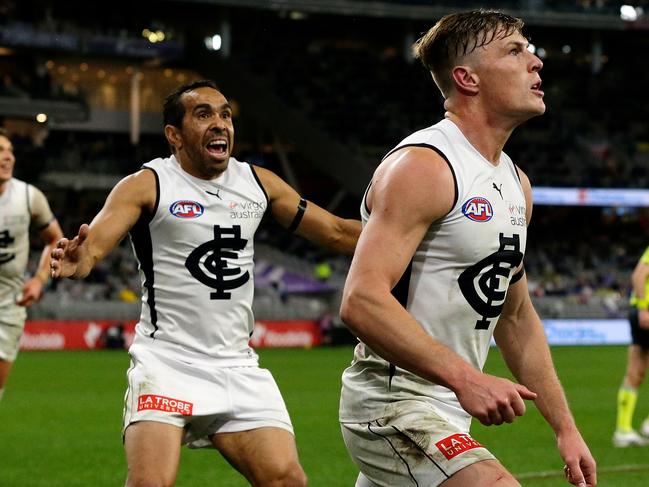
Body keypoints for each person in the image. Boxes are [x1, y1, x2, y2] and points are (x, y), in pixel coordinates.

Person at [50, 79, 361, 486]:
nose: (219, 123)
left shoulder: (259, 183)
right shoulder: (147, 185)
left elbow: (337, 232)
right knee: (150, 483)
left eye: (225, 114)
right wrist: (80, 259)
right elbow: (94, 247)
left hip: (236, 364)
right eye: (203, 115)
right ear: (174, 135)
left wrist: (406, 235)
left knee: (288, 480)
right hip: (167, 362)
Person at [338, 10, 596, 487]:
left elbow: (516, 317)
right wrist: (467, 378)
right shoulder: (424, 165)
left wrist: (566, 428)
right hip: (395, 404)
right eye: (515, 51)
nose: (536, 62)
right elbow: (361, 300)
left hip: (450, 411)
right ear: (467, 78)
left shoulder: (516, 183)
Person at [0, 127, 62, 402]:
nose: (7, 157)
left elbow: (55, 240)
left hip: (8, 308)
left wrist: (39, 279)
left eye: (9, 151)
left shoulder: (28, 197)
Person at [613, 246, 649, 447]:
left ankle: (623, 429)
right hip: (645, 312)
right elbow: (639, 275)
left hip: (642, 312)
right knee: (636, 369)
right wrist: (644, 308)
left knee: (637, 371)